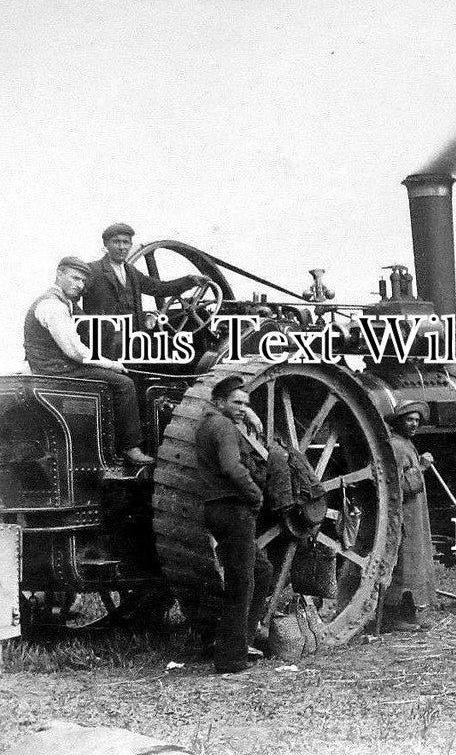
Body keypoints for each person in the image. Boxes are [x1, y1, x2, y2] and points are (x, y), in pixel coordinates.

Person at [24, 257, 155, 466]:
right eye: (75, 278)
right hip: (58, 372)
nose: (79, 285)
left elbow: (89, 330)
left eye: (83, 281)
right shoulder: (53, 306)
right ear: (59, 273)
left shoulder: (65, 302)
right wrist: (112, 364)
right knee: (124, 384)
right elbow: (76, 351)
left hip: (56, 367)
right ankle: (131, 447)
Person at [195, 376, 274, 673]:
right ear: (220, 402)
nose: (242, 408)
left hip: (216, 509)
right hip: (234, 510)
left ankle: (240, 643)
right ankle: (230, 659)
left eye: (247, 403)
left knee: (262, 572)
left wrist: (250, 417)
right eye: (237, 403)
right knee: (241, 585)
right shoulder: (224, 426)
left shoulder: (206, 424)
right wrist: (255, 495)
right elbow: (231, 467)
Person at [82, 223, 210, 360]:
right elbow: (71, 299)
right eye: (116, 242)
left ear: (131, 245)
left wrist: (189, 281)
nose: (121, 247)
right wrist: (86, 327)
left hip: (134, 337)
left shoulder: (131, 272)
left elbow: (159, 288)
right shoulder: (92, 270)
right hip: (106, 341)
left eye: (125, 242)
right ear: (106, 245)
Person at [381, 399, 437, 632]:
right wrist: (421, 468)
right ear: (399, 421)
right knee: (403, 563)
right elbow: (396, 484)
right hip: (403, 516)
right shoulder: (397, 446)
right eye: (409, 420)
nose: (414, 424)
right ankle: (393, 618)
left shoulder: (406, 444)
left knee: (412, 563)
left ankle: (409, 613)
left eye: (417, 420)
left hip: (414, 514)